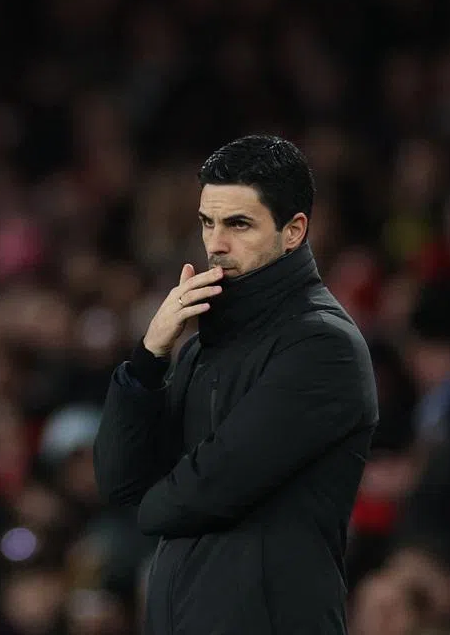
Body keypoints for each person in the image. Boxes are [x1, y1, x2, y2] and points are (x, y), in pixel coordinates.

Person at [93, 135, 379, 634]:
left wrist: (150, 507)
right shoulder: (202, 346)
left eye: (238, 224)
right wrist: (146, 361)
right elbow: (121, 481)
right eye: (208, 222)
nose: (215, 244)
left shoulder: (322, 347)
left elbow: (207, 488)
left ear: (293, 231)